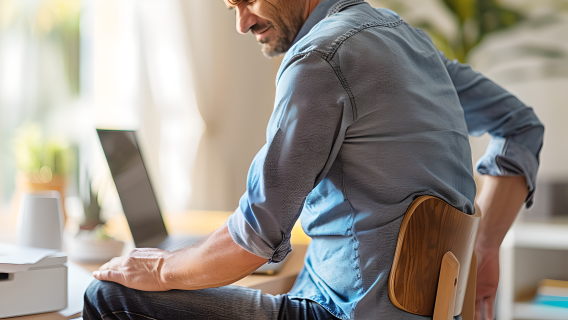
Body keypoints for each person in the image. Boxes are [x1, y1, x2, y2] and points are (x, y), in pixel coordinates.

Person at [83, 0, 544, 319]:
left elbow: (254, 239)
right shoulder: (412, 44)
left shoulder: (320, 59)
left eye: (247, 2)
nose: (242, 23)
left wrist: (161, 266)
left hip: (338, 314)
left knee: (109, 296)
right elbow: (521, 125)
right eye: (231, 8)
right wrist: (483, 247)